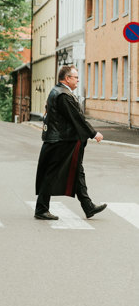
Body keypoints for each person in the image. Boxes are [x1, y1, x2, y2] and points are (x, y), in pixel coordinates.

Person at [34, 65, 107, 220]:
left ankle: (88, 206)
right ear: (67, 78)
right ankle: (41, 209)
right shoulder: (63, 95)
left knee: (77, 171)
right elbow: (76, 117)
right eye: (75, 77)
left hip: (63, 140)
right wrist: (93, 133)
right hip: (61, 141)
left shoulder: (58, 91)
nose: (78, 80)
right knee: (52, 173)